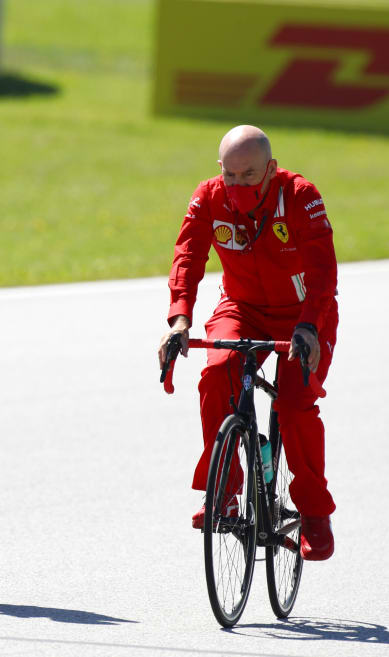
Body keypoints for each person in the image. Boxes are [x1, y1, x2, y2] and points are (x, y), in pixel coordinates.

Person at [158, 125, 338, 561]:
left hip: (304, 314)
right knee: (217, 372)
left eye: (249, 175)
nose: (237, 185)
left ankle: (314, 512)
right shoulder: (208, 196)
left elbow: (322, 271)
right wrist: (179, 319)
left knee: (294, 405)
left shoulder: (300, 196)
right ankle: (224, 492)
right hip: (241, 307)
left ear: (271, 169)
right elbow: (187, 256)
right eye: (230, 175)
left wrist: (310, 327)